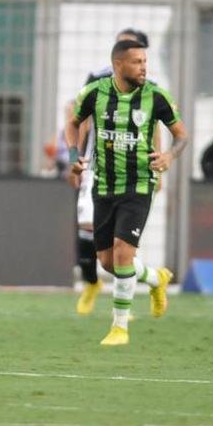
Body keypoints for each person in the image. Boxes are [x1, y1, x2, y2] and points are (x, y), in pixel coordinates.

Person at [65, 39, 188, 346]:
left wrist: (169, 156)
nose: (144, 67)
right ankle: (156, 278)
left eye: (145, 61)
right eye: (137, 62)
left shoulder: (156, 96)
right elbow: (73, 123)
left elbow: (181, 135)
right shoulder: (95, 93)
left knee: (123, 252)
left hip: (138, 185)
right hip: (104, 185)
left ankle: (119, 327)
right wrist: (73, 157)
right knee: (107, 261)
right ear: (118, 65)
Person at [72, 28, 159, 315]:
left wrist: (159, 166)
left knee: (122, 246)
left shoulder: (149, 87)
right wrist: (76, 157)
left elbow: (155, 126)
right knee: (87, 228)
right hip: (96, 167)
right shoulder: (97, 80)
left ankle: (124, 307)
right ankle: (91, 282)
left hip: (134, 175)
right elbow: (80, 119)